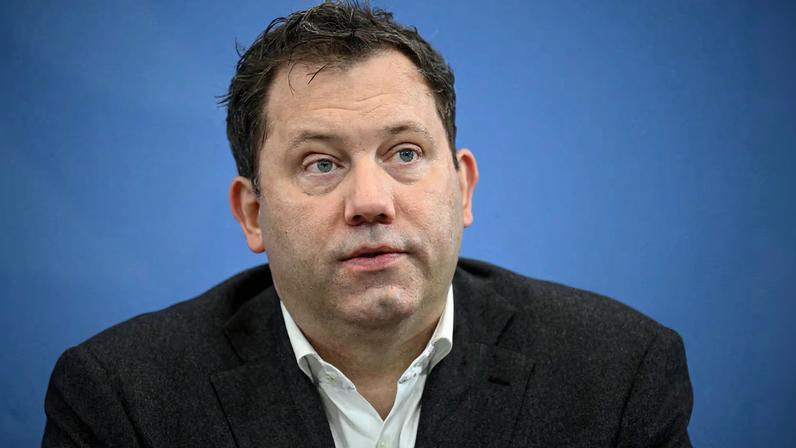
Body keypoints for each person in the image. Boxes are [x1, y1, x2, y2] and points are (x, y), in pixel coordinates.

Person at [42, 2, 693, 447]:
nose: (371, 201)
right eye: (321, 163)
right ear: (254, 212)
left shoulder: (615, 374)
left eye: (404, 153)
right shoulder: (123, 398)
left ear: (462, 187)